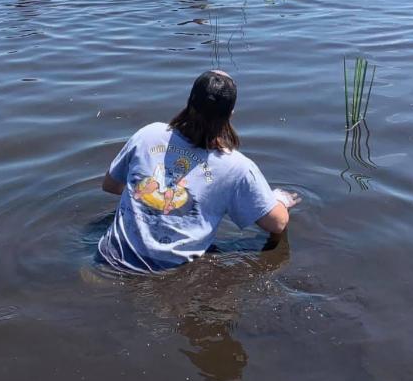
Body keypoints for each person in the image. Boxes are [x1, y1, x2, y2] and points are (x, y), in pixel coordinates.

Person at [97, 69, 300, 272]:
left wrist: (148, 205)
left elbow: (111, 185)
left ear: (189, 102)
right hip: (165, 271)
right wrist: (279, 200)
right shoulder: (237, 168)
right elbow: (277, 224)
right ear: (230, 114)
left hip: (107, 258)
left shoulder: (148, 135)